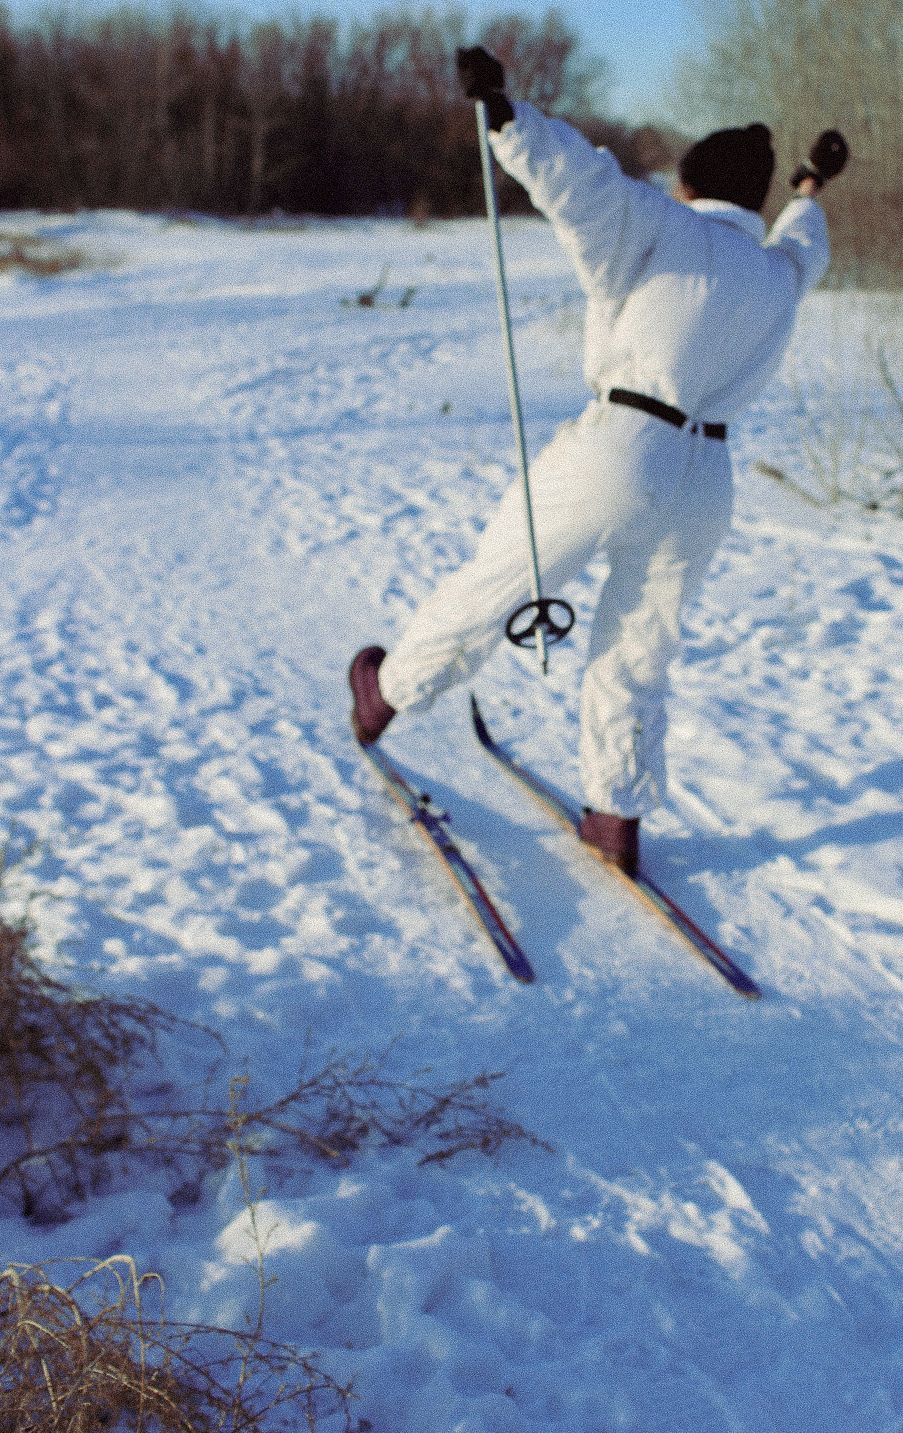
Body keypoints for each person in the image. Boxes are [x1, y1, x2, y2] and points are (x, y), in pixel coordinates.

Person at [349, 45, 847, 878]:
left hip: (621, 448)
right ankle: (615, 812)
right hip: (706, 482)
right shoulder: (775, 272)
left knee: (496, 579)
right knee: (639, 646)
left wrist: (506, 114)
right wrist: (809, 186)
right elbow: (808, 241)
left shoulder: (663, 230)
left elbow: (580, 183)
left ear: (688, 184)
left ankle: (387, 693)